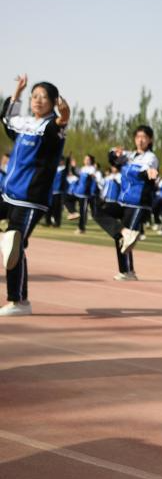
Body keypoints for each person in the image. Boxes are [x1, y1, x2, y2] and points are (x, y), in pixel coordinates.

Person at [0, 74, 71, 316]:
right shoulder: (26, 124)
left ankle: (18, 302)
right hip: (8, 194)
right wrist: (17, 93)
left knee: (14, 243)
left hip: (31, 198)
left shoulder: (51, 128)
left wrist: (65, 113)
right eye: (34, 97)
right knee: (12, 244)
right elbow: (7, 119)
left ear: (53, 102)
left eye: (43, 97)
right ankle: (19, 298)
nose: (38, 101)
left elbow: (61, 122)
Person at [94, 126, 159, 281]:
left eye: (144, 137)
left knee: (124, 238)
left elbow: (148, 170)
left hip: (138, 203)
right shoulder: (129, 156)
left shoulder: (151, 158)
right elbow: (113, 158)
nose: (140, 140)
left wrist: (150, 173)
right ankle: (123, 234)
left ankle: (127, 272)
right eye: (138, 137)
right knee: (98, 211)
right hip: (123, 201)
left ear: (150, 140)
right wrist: (114, 153)